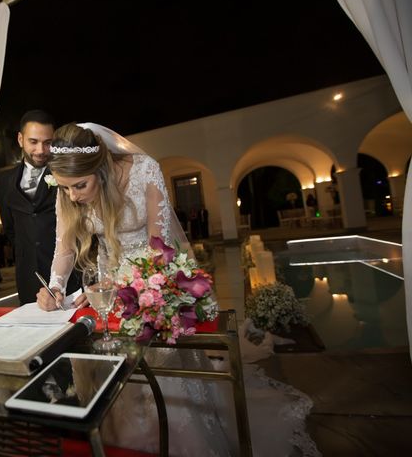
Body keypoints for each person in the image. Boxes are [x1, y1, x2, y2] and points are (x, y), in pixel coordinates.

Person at [37, 123, 319, 456]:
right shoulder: (69, 189)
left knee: (158, 368)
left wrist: (122, 282)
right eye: (65, 188)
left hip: (150, 281)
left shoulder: (145, 171)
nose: (73, 196)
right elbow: (65, 247)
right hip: (105, 292)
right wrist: (54, 286)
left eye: (79, 186)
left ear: (100, 167)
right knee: (115, 375)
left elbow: (161, 247)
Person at [0, 110, 80, 304]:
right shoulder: (4, 181)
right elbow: (10, 229)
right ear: (20, 139)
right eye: (33, 141)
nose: (41, 150)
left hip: (69, 274)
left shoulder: (66, 173)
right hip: (28, 278)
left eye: (48, 142)